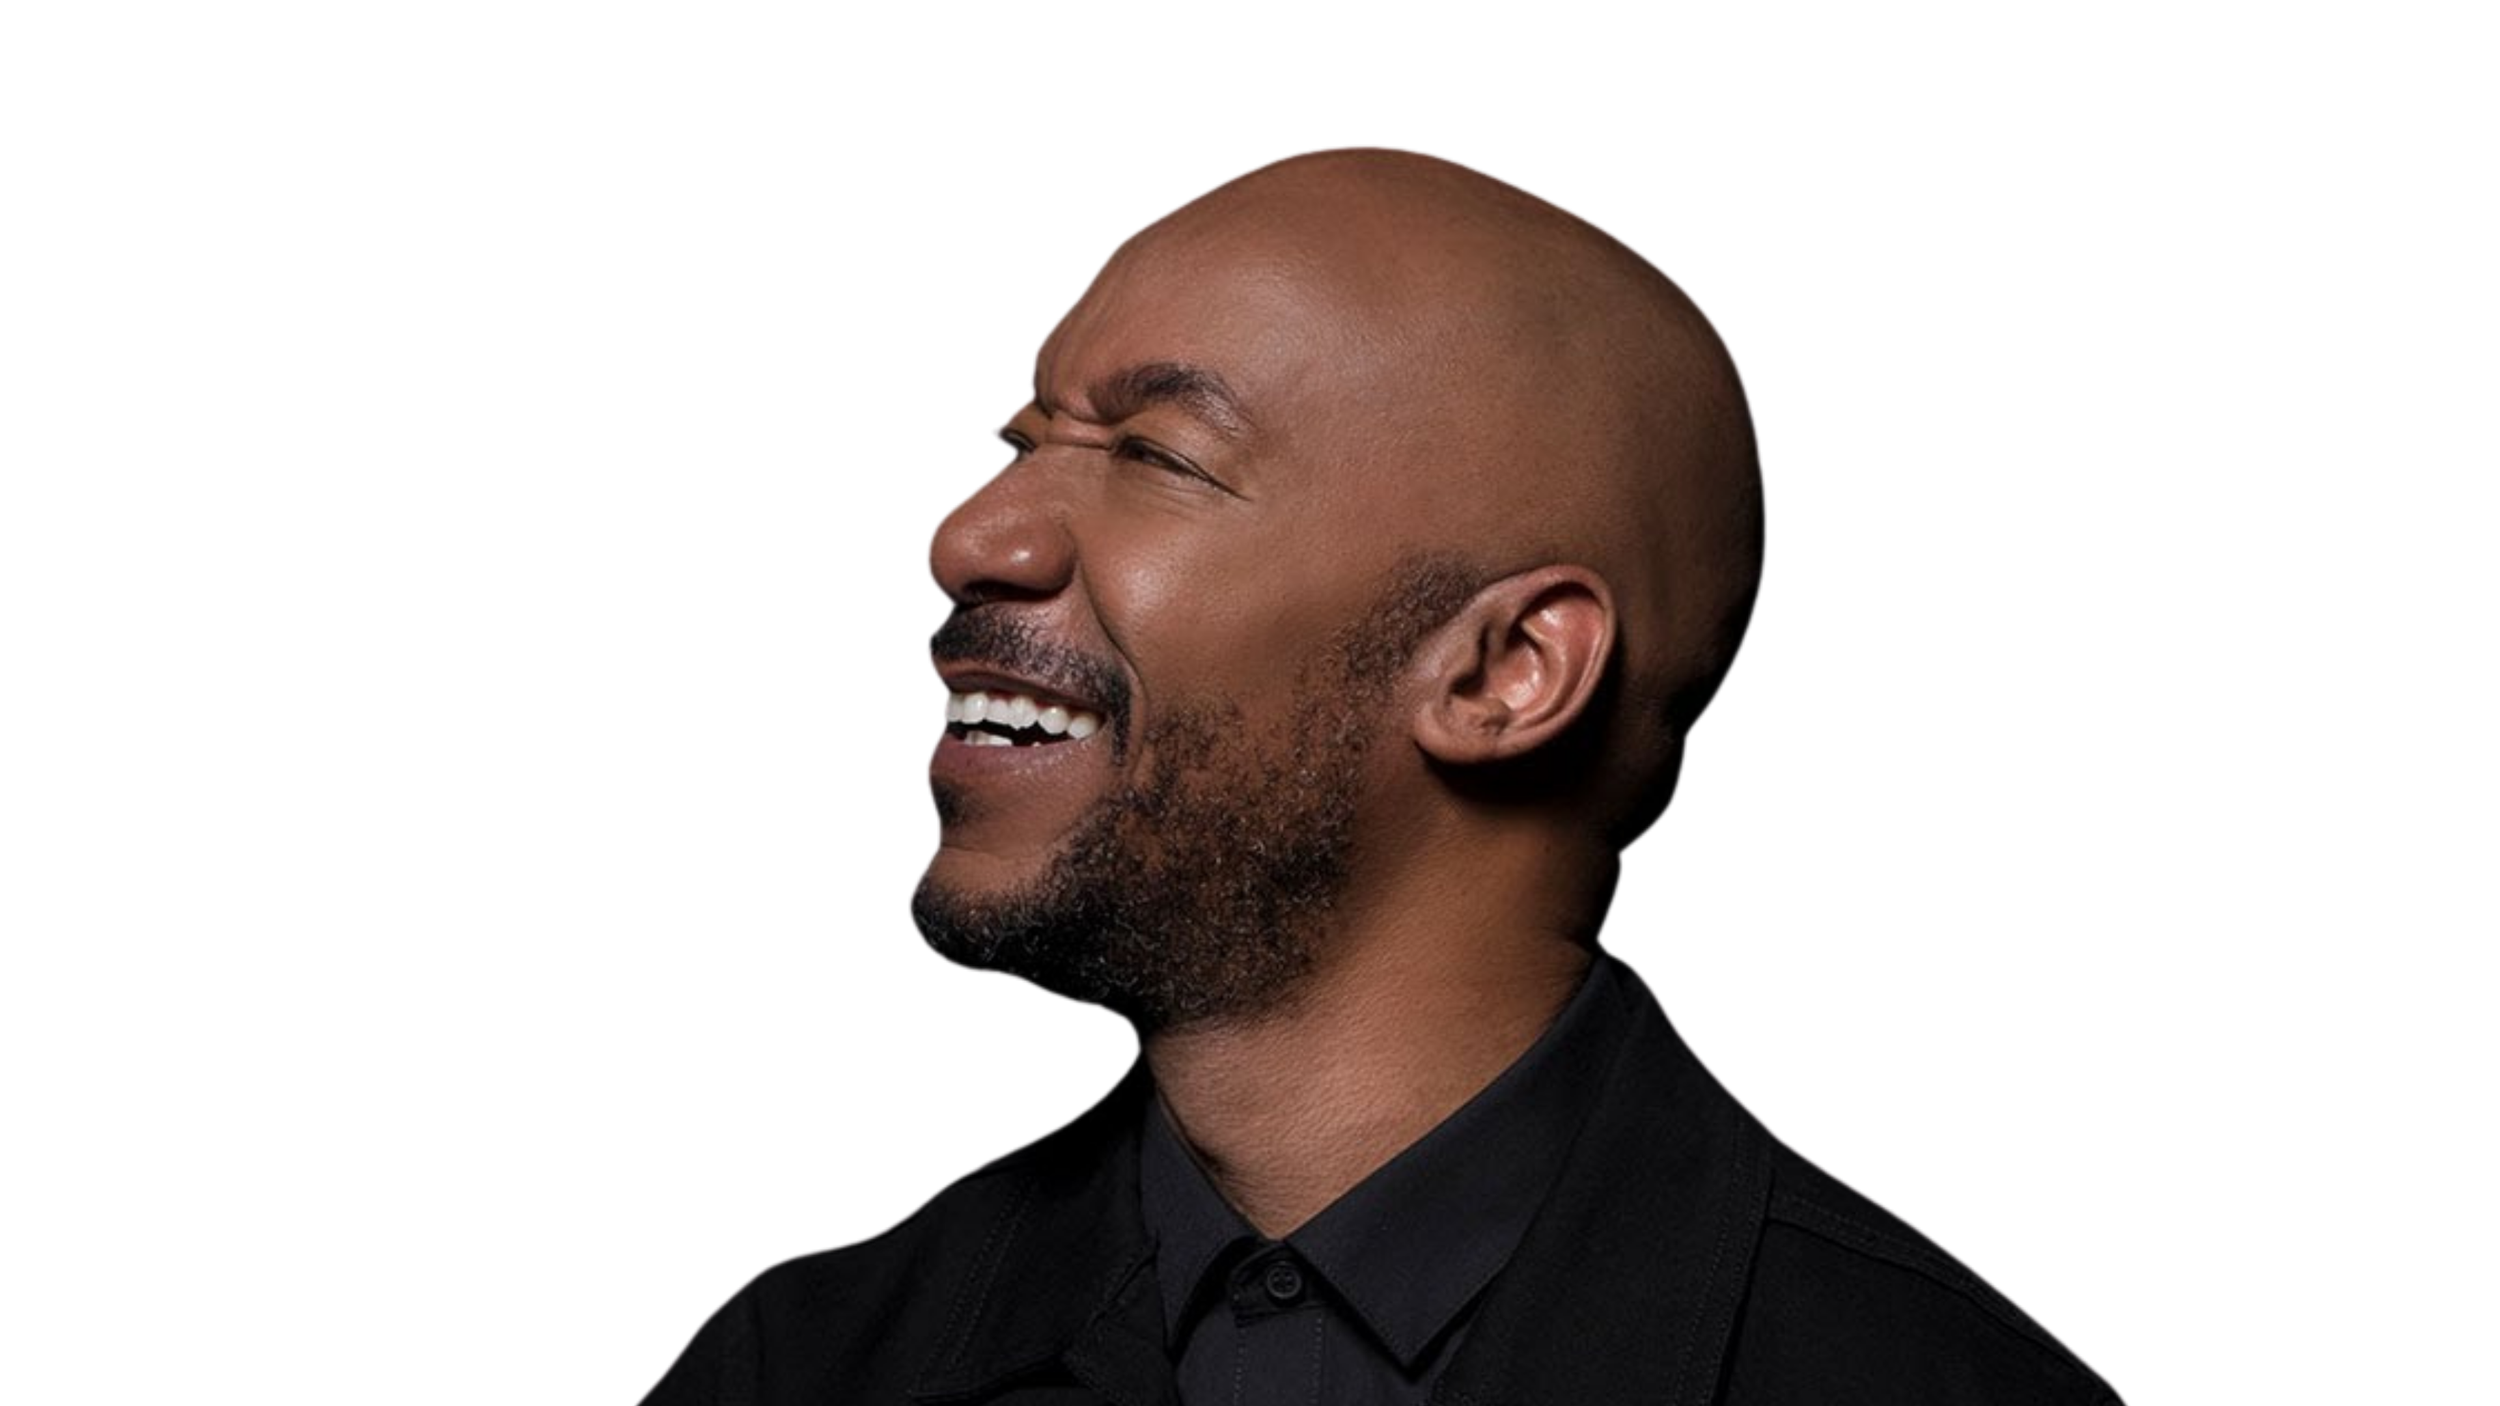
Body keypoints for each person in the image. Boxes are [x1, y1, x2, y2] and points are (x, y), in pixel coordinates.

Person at [645, 145, 2122, 1404]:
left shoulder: (1918, 1378)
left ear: (1503, 673)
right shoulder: (805, 1364)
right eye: (1021, 438)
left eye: (1158, 456)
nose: (973, 537)